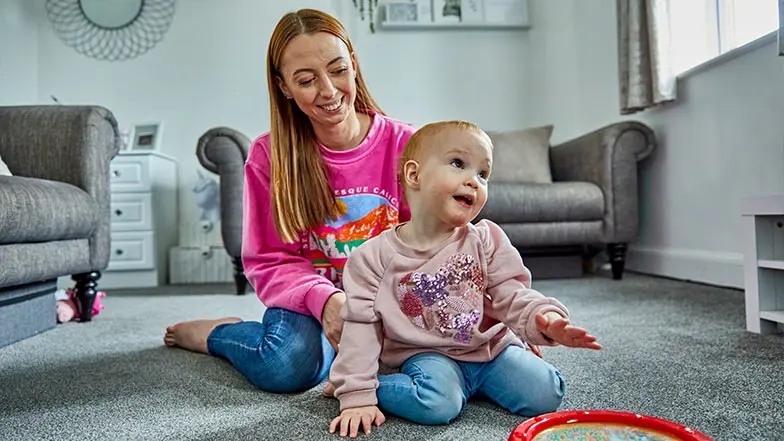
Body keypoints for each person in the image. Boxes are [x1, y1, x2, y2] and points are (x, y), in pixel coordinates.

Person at [163, 8, 416, 394]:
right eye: (306, 80)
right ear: (284, 87)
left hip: (388, 296)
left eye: (337, 69)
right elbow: (269, 260)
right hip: (310, 297)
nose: (329, 91)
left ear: (354, 63)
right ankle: (217, 334)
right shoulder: (270, 157)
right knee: (286, 365)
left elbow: (440, 241)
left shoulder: (406, 145)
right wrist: (327, 301)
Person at [327, 121, 603, 437]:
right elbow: (361, 327)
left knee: (546, 392)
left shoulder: (487, 240)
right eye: (459, 164)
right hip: (427, 356)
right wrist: (357, 393)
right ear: (414, 175)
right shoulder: (371, 257)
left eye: (483, 174)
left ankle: (469, 386)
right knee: (438, 405)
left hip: (489, 350)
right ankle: (357, 384)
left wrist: (543, 320)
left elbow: (512, 294)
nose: (474, 181)